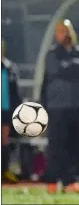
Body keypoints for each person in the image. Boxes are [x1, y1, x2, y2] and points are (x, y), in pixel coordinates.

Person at [41, 19, 79, 194]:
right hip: (57, 107)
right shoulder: (52, 53)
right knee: (57, 146)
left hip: (78, 106)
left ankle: (70, 181)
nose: (62, 34)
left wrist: (70, 67)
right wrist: (75, 69)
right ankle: (52, 181)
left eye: (64, 31)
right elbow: (57, 69)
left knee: (75, 145)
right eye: (59, 31)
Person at [1, 39, 21, 183]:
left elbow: (15, 91)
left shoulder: (10, 67)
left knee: (4, 141)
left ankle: (4, 171)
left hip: (6, 109)